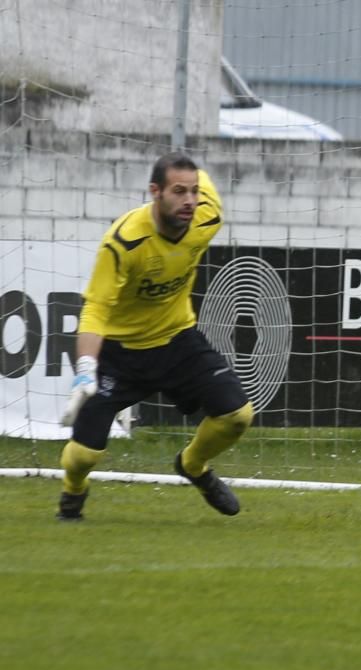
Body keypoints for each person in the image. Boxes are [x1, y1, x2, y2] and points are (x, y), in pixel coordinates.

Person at [57, 152, 253, 520]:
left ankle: (193, 465)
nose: (190, 201)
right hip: (120, 352)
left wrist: (194, 181)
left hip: (177, 339)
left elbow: (201, 185)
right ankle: (73, 491)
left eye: (194, 191)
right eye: (179, 191)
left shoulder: (207, 217)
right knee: (83, 456)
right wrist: (85, 370)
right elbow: (96, 309)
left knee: (238, 415)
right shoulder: (123, 242)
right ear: (155, 192)